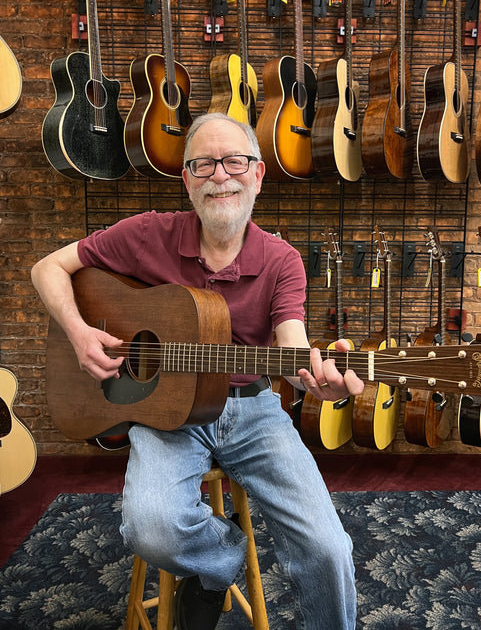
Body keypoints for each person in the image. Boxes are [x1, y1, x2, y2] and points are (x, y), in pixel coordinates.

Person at [31, 112, 364, 630]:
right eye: (203, 164)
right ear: (186, 179)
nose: (220, 176)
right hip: (168, 416)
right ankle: (222, 558)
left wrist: (322, 381)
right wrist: (78, 332)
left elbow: (293, 347)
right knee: (151, 528)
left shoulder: (282, 261)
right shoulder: (146, 234)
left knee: (328, 549)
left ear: (257, 174)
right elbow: (47, 267)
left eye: (235, 161)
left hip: (253, 412)